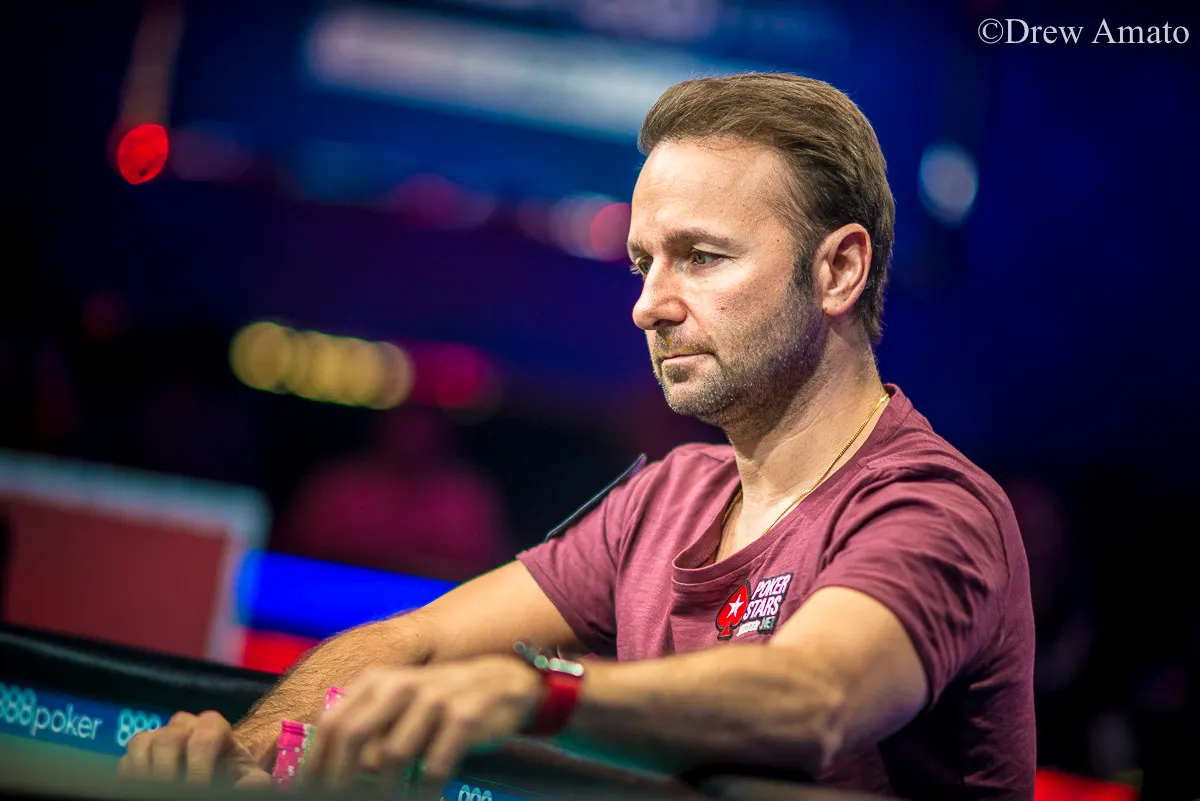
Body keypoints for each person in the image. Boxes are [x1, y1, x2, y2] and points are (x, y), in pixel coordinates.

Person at [118, 73, 1035, 799]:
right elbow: (416, 644)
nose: (648, 305)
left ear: (838, 269)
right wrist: (240, 756)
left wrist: (537, 690)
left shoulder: (932, 506)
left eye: (701, 257)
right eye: (644, 264)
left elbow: (816, 695)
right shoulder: (667, 498)